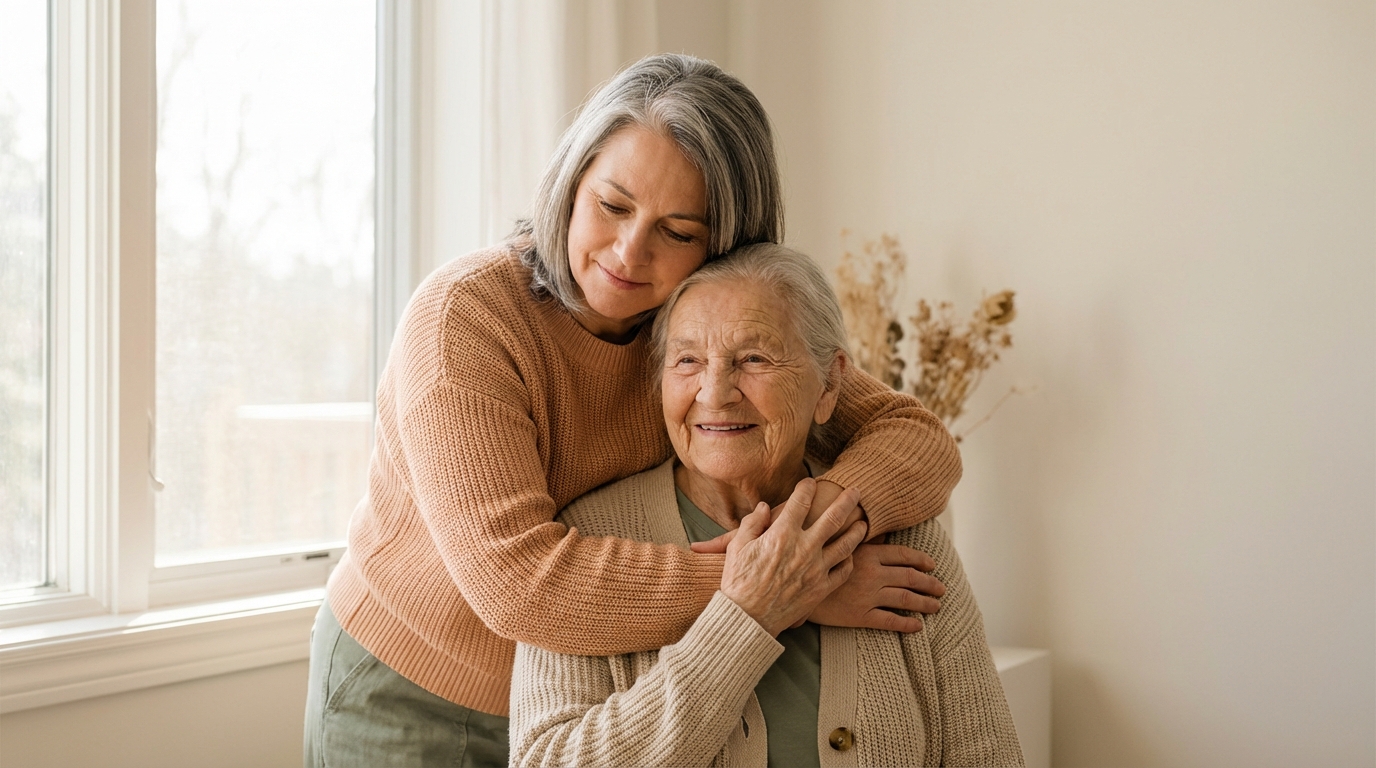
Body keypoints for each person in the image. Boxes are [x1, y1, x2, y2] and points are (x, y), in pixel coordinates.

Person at [304, 54, 961, 767]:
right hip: (414, 687)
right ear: (572, 183)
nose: (628, 251)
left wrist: (810, 540)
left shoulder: (697, 335)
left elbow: (916, 438)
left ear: (726, 244)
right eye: (613, 206)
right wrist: (780, 586)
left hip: (587, 691)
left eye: (677, 231)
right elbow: (519, 587)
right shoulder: (465, 319)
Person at [509, 244, 1023, 768]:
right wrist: (747, 613)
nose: (715, 393)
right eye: (687, 360)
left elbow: (988, 754)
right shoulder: (590, 536)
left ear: (830, 386)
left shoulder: (905, 537)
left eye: (753, 358)